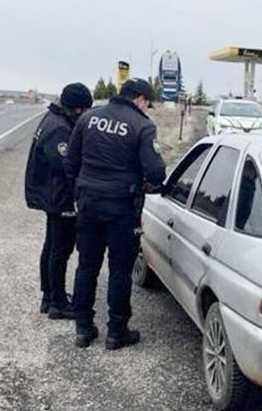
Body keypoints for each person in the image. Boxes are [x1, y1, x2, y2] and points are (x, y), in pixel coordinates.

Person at [64, 78, 166, 349]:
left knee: (87, 266)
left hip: (88, 203)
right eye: (146, 103)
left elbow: (70, 162)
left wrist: (80, 191)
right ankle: (116, 332)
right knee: (120, 269)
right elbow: (156, 172)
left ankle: (83, 328)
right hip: (122, 207)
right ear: (140, 99)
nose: (146, 108)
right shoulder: (142, 126)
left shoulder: (89, 118)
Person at [25, 83, 93, 320]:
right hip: (58, 195)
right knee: (60, 250)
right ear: (77, 108)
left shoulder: (52, 118)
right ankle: (57, 302)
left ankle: (49, 296)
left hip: (50, 193)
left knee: (52, 245)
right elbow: (66, 167)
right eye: (84, 109)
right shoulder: (60, 129)